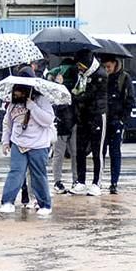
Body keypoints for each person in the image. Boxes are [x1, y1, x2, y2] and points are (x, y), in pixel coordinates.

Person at [0, 85, 56, 216]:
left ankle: (45, 204)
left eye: (19, 91)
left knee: (38, 175)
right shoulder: (12, 104)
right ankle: (7, 201)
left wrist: (33, 107)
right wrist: (5, 141)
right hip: (18, 143)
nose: (17, 94)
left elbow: (48, 120)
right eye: (15, 91)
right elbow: (7, 123)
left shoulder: (41, 100)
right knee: (16, 172)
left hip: (38, 144)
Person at [68, 48, 108, 196]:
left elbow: (88, 96)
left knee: (98, 151)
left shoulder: (100, 74)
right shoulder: (81, 76)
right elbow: (78, 92)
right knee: (80, 150)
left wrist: (74, 96)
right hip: (82, 117)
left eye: (80, 65)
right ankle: (81, 181)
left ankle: (97, 182)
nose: (78, 68)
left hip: (97, 116)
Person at [102, 55, 133, 194]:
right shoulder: (102, 77)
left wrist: (122, 121)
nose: (106, 69)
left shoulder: (124, 78)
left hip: (116, 122)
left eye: (108, 66)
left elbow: (130, 101)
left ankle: (114, 182)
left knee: (115, 153)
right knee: (100, 153)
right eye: (104, 67)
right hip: (102, 121)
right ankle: (98, 181)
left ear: (115, 64)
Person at [46, 59, 77, 194]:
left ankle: (58, 181)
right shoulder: (75, 81)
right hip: (70, 121)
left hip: (61, 122)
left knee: (58, 155)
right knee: (74, 153)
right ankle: (75, 181)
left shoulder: (55, 83)